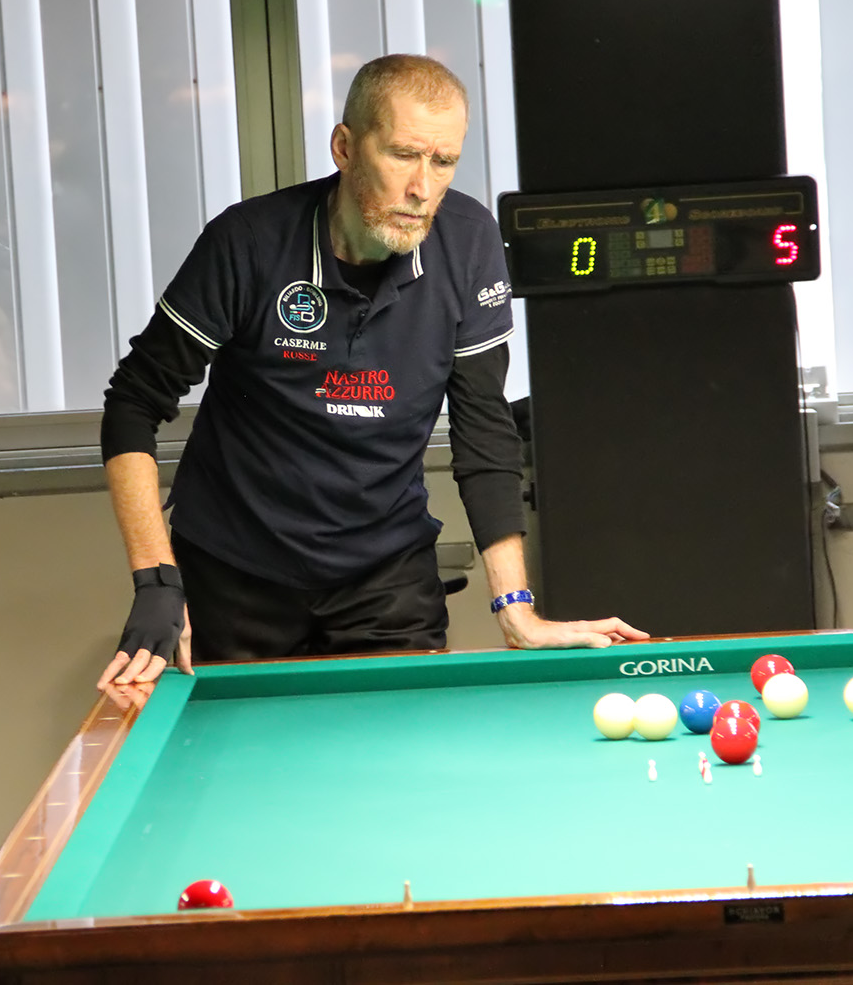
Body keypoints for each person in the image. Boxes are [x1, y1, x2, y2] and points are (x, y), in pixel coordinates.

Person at [96, 54, 645, 688]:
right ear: (345, 147)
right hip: (235, 572)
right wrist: (157, 581)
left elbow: (484, 431)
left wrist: (516, 608)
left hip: (386, 577)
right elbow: (133, 403)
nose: (422, 188)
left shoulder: (469, 244)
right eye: (404, 155)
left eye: (443, 161)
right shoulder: (247, 243)